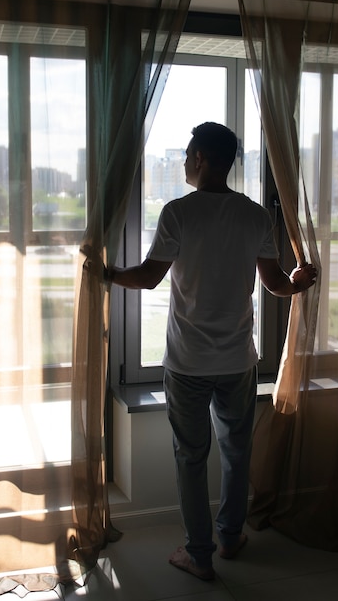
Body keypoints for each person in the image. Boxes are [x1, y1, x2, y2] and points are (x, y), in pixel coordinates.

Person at [104, 122, 317, 581]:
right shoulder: (256, 216)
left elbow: (147, 277)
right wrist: (299, 283)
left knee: (191, 457)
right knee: (236, 453)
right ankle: (230, 537)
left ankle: (199, 554)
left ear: (200, 157)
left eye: (186, 153)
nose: (182, 161)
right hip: (238, 360)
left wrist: (104, 273)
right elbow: (276, 284)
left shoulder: (178, 213)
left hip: (187, 365)